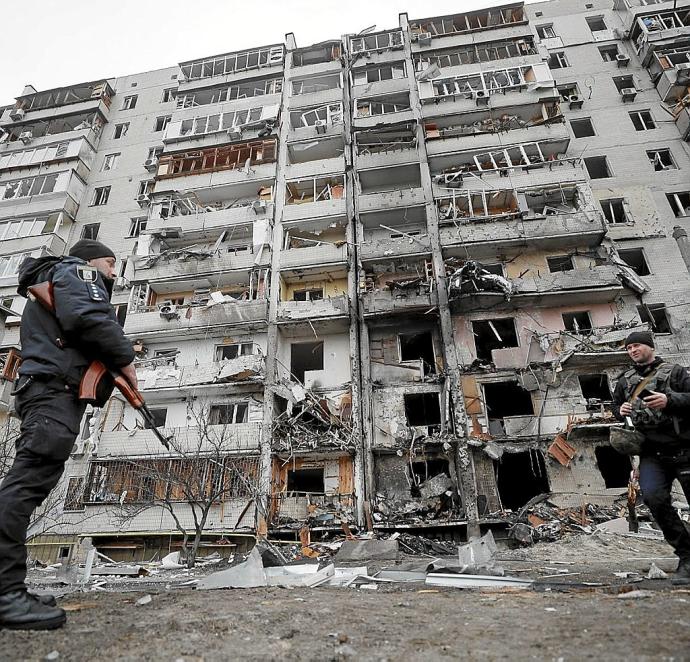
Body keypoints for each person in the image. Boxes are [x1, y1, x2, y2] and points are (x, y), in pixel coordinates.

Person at [0, 239, 137, 630]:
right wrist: (126, 362)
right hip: (52, 392)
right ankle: (5, 594)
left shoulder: (56, 282)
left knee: (29, 483)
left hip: (46, 390)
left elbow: (77, 332)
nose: (113, 273)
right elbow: (90, 318)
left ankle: (12, 587)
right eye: (110, 263)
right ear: (91, 260)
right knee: (25, 484)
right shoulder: (79, 272)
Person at [613, 330, 690, 584]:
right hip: (651, 453)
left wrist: (670, 400)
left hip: (685, 448)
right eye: (629, 348)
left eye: (637, 345)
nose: (633, 350)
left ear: (650, 347)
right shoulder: (625, 380)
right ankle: (687, 557)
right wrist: (619, 410)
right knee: (654, 499)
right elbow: (615, 407)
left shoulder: (676, 372)